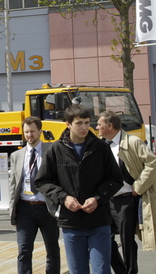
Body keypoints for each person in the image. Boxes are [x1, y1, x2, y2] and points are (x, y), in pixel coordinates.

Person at [35, 105, 123, 274]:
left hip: (99, 222)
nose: (84, 127)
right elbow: (42, 181)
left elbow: (115, 179)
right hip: (71, 223)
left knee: (101, 270)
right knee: (78, 271)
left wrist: (98, 198)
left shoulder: (101, 148)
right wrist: (64, 198)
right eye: (79, 123)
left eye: (87, 123)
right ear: (68, 124)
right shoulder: (56, 149)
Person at [96, 111, 156, 274]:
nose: (96, 127)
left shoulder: (133, 142)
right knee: (104, 238)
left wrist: (138, 186)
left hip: (126, 200)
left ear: (109, 126)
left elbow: (153, 163)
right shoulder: (101, 145)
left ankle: (131, 271)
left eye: (99, 124)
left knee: (127, 240)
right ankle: (120, 270)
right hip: (106, 201)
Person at [8, 116, 60, 274]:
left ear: (40, 132)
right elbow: (13, 185)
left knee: (52, 250)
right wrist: (13, 212)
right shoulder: (16, 156)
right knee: (23, 250)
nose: (29, 135)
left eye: (32, 131)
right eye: (26, 132)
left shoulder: (51, 151)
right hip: (25, 209)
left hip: (47, 209)